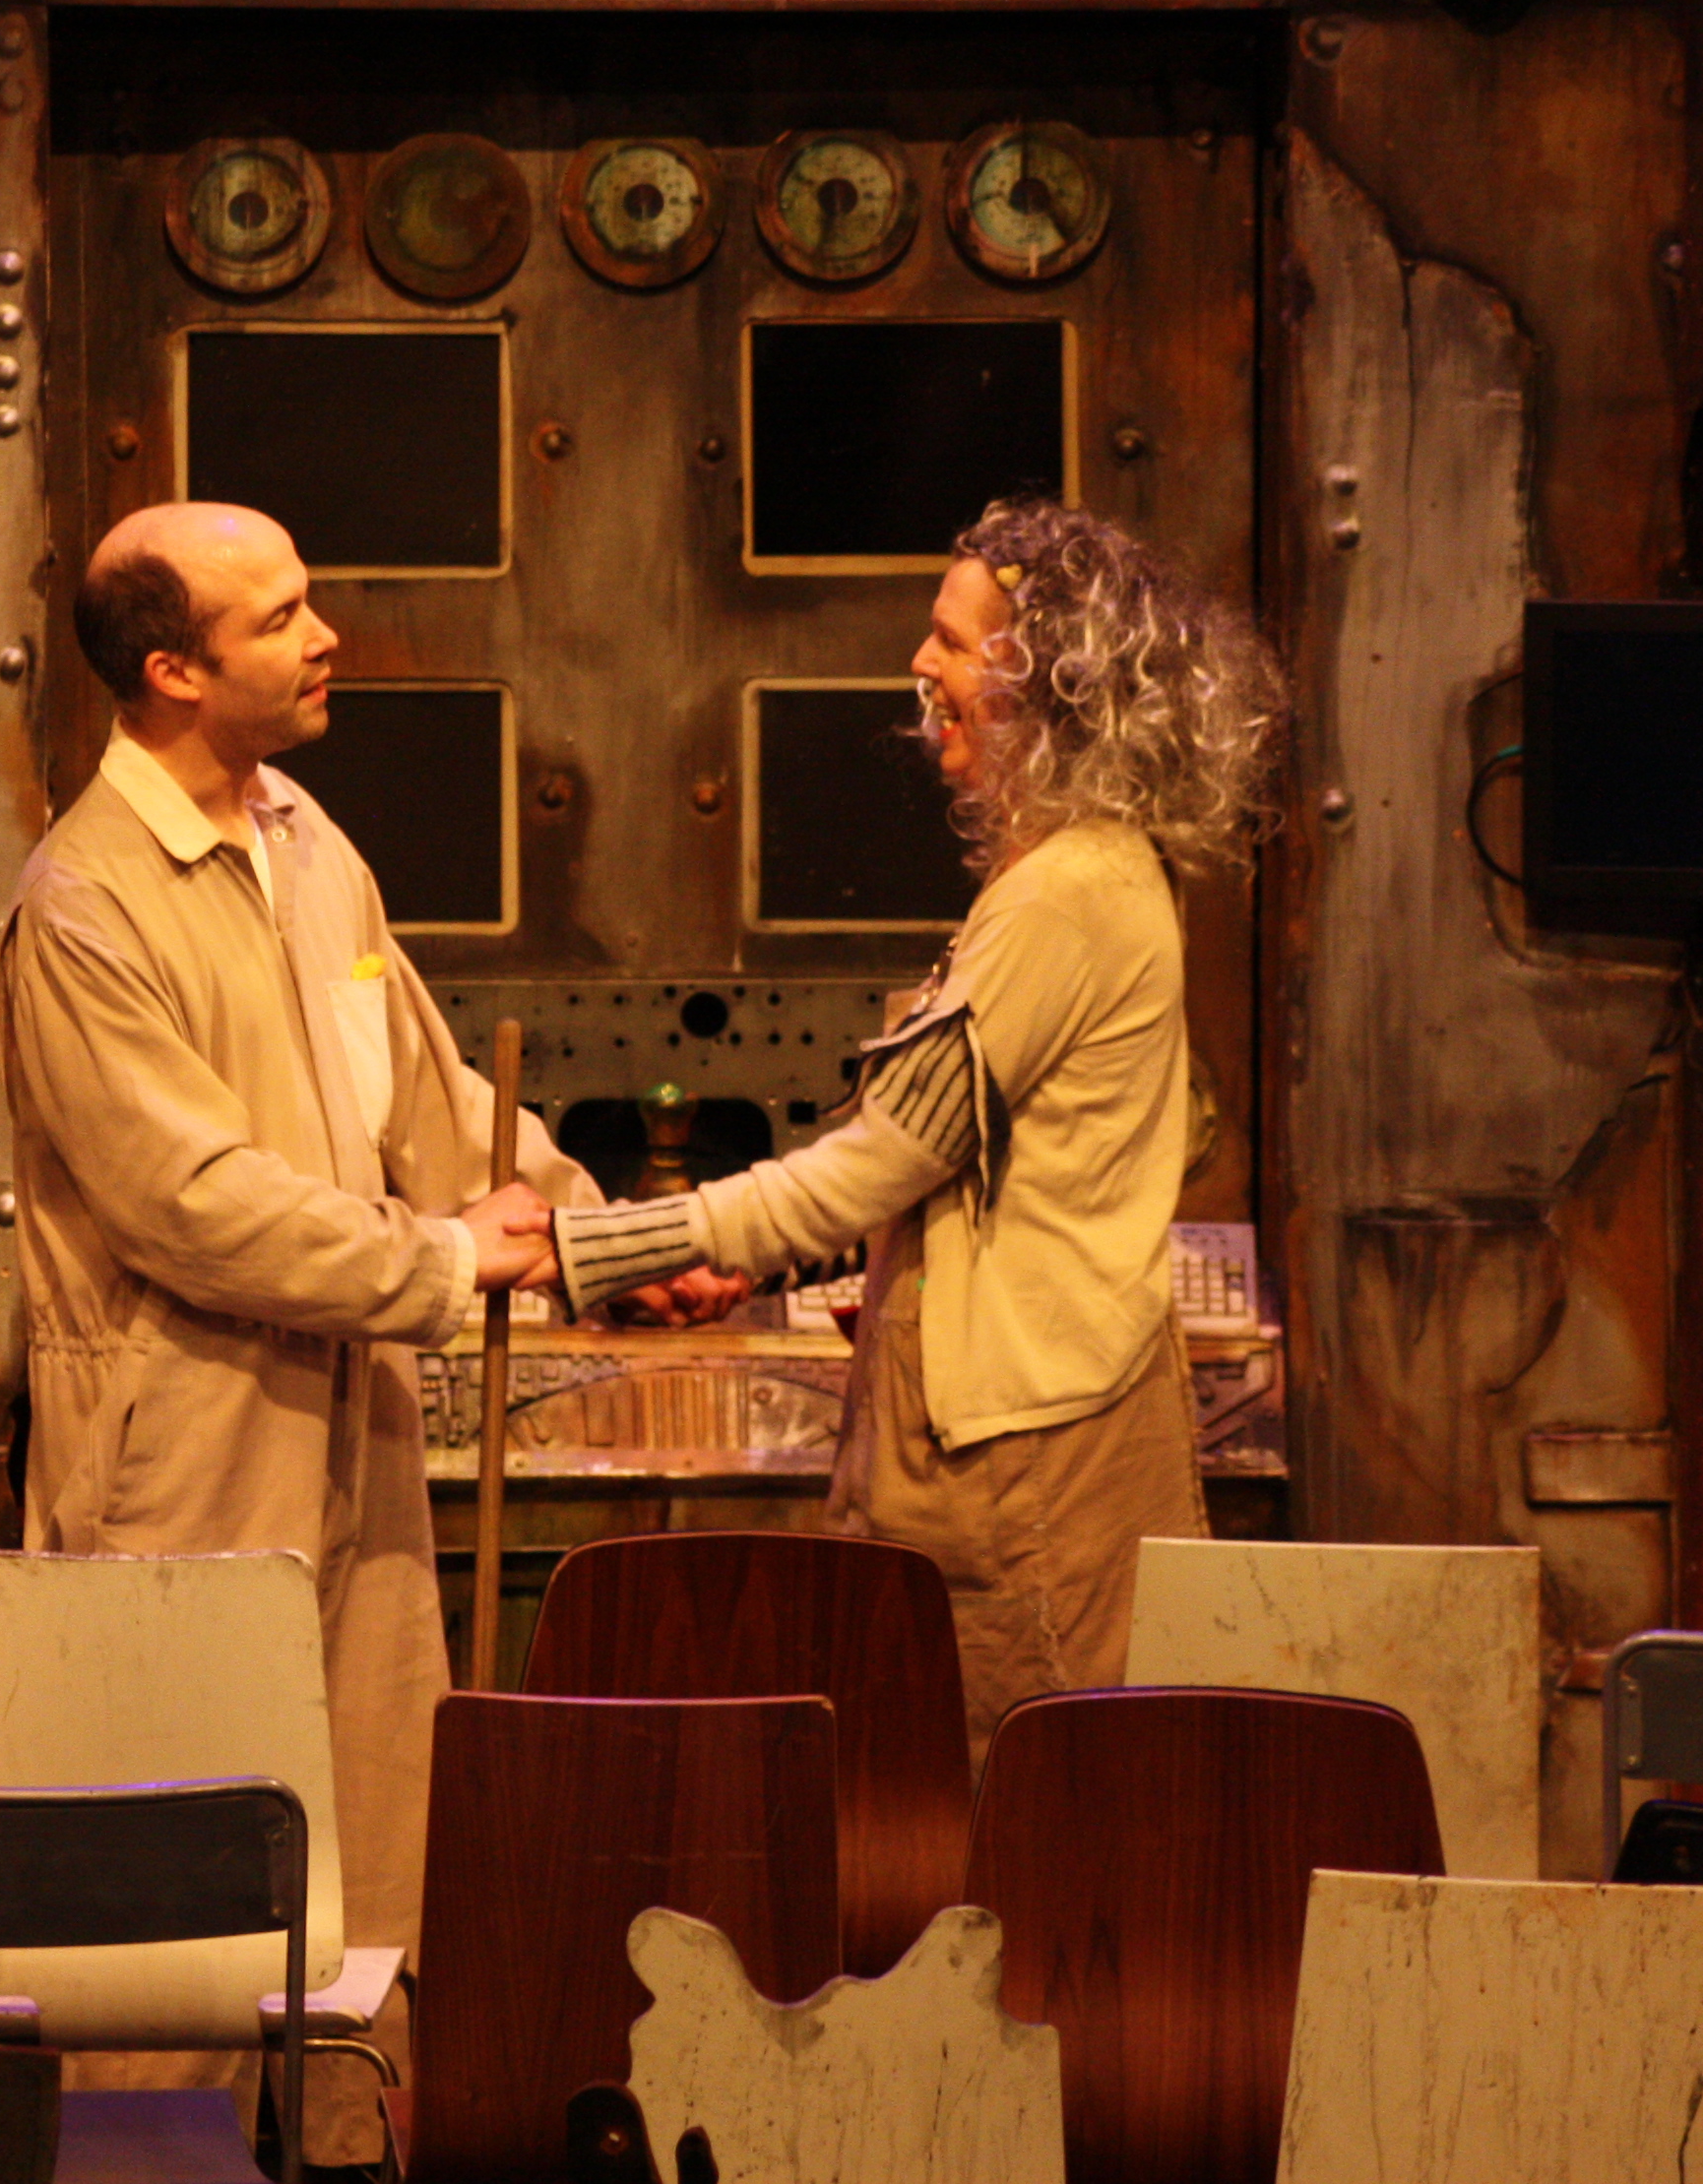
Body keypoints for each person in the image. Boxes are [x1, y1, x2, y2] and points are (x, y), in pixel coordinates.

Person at [0, 496, 583, 2153]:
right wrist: (450, 1262)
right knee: (168, 1908)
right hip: (185, 1451)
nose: (325, 635)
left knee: (366, 1876)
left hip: (355, 1426)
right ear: (173, 668)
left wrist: (585, 1227)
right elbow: (187, 1198)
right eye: (282, 616)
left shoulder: (309, 842)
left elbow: (425, 1094)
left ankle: (343, 2150)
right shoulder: (86, 901)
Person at [547, 498, 1284, 1750]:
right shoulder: (1077, 872)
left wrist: (597, 1248)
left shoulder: (1068, 892)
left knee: (1013, 1783)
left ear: (1044, 675)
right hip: (1028, 1421)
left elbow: (877, 1164)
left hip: (1023, 1460)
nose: (922, 668)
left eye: (952, 641)